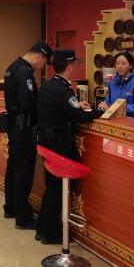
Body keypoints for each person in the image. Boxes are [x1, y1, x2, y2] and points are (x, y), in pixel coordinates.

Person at [36, 49, 103, 245]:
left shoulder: (48, 85)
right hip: (59, 144)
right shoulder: (64, 89)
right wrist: (99, 110)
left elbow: (62, 109)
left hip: (46, 141)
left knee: (52, 187)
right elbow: (79, 117)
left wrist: (75, 106)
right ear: (70, 66)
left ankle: (43, 229)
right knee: (57, 189)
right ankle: (49, 233)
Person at [3, 40, 53, 230]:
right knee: (23, 173)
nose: (42, 66)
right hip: (23, 129)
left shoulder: (13, 67)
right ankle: (23, 218)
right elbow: (27, 103)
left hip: (14, 126)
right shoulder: (25, 72)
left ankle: (10, 208)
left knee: (13, 169)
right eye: (44, 62)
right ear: (39, 56)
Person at [98, 51, 134, 119]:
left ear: (130, 65)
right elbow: (108, 103)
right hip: (114, 119)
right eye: (117, 63)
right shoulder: (113, 82)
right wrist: (104, 105)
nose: (119, 67)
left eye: (123, 63)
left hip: (132, 121)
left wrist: (122, 108)